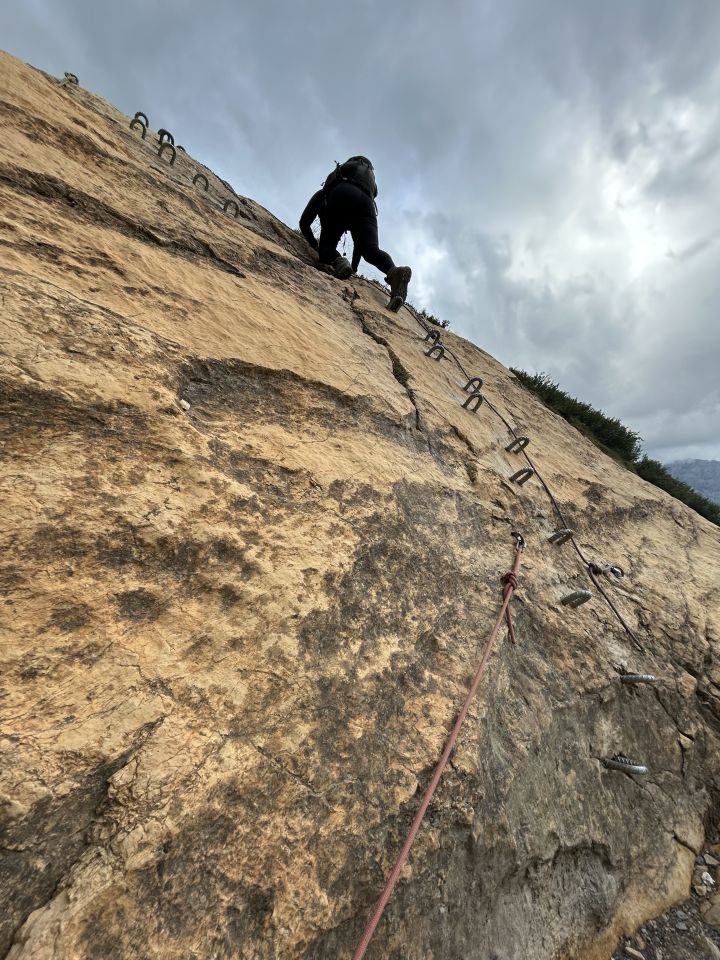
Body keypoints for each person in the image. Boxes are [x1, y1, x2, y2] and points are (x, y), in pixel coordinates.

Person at [299, 156, 412, 312]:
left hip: (342, 194)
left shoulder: (326, 191)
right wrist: (354, 267)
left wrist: (315, 245)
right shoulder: (370, 188)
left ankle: (339, 261)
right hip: (367, 205)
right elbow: (359, 243)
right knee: (371, 250)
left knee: (327, 249)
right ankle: (394, 272)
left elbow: (304, 223)